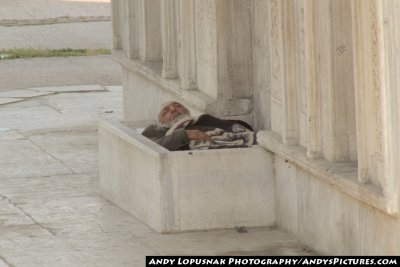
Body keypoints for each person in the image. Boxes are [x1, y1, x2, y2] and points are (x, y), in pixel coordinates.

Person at [142, 101, 255, 151]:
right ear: (160, 121)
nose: (173, 109)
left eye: (177, 105)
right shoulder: (156, 131)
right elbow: (151, 149)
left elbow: (239, 128)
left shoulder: (203, 119)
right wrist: (185, 134)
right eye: (165, 111)